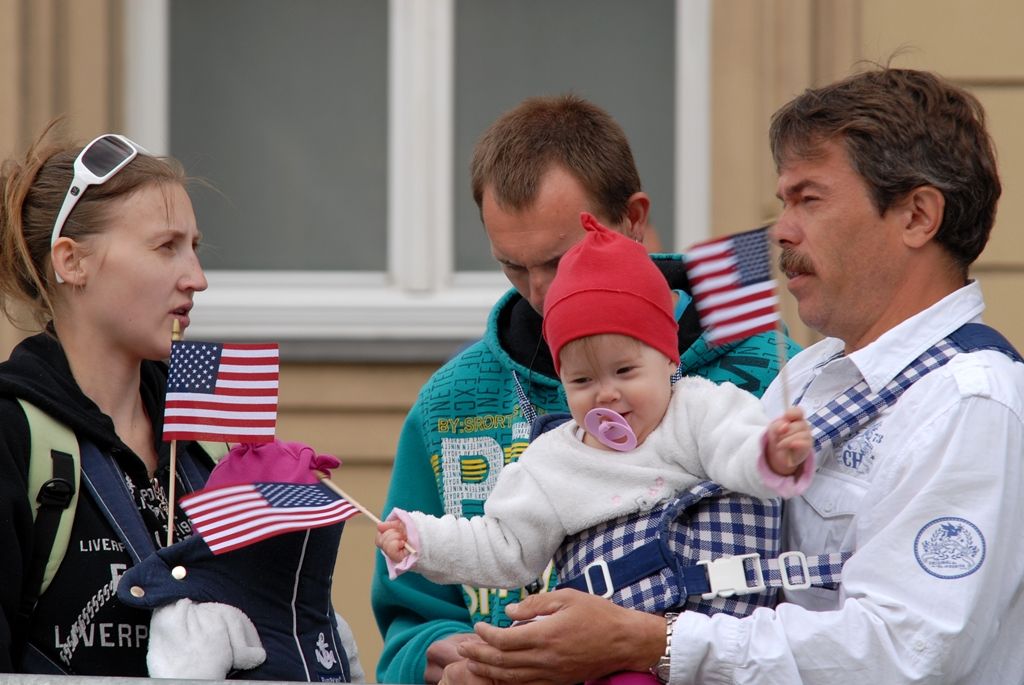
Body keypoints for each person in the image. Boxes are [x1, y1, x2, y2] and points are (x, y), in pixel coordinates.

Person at [454, 68, 1024, 684]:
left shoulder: (970, 402)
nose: (780, 229)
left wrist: (647, 641)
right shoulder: (810, 374)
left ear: (917, 216)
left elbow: (905, 651)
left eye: (809, 199)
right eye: (784, 202)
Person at [371, 94, 800, 685]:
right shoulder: (448, 405)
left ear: (633, 218)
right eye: (513, 267)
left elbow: (841, 602)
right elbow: (408, 628)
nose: (543, 294)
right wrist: (446, 659)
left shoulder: (770, 374)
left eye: (559, 259)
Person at [0, 124, 211, 675]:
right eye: (167, 247)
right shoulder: (12, 434)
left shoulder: (201, 438)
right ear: (72, 262)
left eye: (194, 248)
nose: (198, 278)